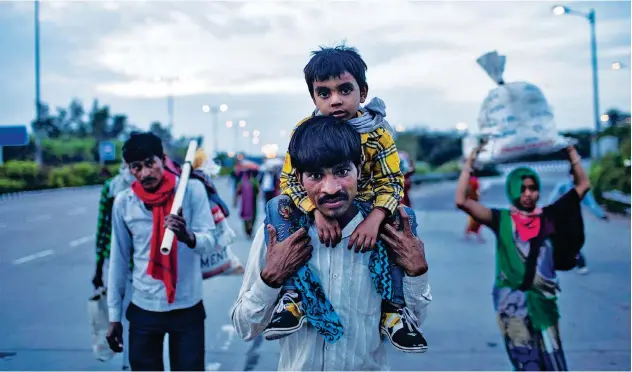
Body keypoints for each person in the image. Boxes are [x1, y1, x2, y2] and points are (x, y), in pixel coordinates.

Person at [231, 115, 431, 370]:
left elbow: (415, 321)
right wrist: (272, 278)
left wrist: (417, 272)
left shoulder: (389, 234)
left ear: (359, 168)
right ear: (299, 178)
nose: (330, 188)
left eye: (342, 172)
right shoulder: (279, 235)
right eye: (315, 175)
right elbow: (244, 327)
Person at [272, 44, 427, 352]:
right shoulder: (305, 132)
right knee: (276, 207)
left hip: (367, 208)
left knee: (406, 216)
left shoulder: (377, 133)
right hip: (317, 205)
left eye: (345, 90)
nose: (336, 100)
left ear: (363, 91)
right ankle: (291, 298)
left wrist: (375, 218)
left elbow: (392, 181)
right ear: (314, 97)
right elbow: (289, 180)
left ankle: (394, 310)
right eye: (324, 93)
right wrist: (314, 212)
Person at [455, 142, 590, 371]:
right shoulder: (501, 219)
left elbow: (583, 185)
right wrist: (470, 163)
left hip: (544, 303)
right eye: (522, 188)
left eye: (533, 188)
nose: (528, 194)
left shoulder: (549, 216)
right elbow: (462, 201)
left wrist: (571, 153)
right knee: (526, 363)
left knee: (553, 361)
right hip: (512, 306)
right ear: (513, 189)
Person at [106, 132, 218, 371]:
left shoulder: (191, 191)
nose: (145, 173)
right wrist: (114, 316)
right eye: (137, 167)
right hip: (144, 308)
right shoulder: (124, 202)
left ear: (163, 159)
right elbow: (119, 260)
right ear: (129, 170)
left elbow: (210, 242)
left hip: (187, 307)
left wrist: (188, 236)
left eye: (150, 163)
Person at [92, 161, 135, 370]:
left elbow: (102, 228)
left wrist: (99, 266)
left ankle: (132, 362)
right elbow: (103, 226)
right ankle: (130, 362)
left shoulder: (150, 187)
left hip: (144, 264)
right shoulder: (112, 187)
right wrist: (99, 267)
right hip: (121, 262)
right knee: (125, 314)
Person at [548, 167, 608, 275]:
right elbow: (552, 199)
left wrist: (601, 215)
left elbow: (591, 203)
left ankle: (578, 261)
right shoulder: (562, 185)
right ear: (569, 176)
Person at [234, 167, 260, 238]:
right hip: (250, 202)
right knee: (251, 216)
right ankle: (249, 229)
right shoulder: (253, 181)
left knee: (249, 216)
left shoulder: (243, 182)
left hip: (248, 202)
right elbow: (258, 191)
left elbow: (237, 192)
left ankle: (248, 230)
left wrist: (235, 201)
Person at [464, 172, 485, 243]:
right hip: (473, 200)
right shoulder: (473, 180)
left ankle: (469, 233)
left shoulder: (469, 180)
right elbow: (475, 190)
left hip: (472, 200)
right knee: (476, 218)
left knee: (474, 218)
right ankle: (475, 235)